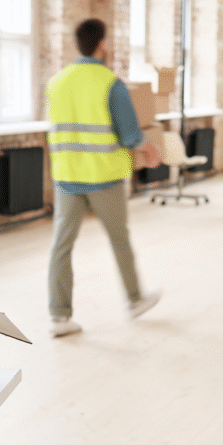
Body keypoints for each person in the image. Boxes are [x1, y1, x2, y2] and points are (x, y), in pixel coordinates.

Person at [45, 18, 163, 337]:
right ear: (103, 45)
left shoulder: (57, 82)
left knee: (61, 245)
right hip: (104, 177)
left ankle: (59, 317)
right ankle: (135, 299)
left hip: (68, 177)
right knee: (118, 239)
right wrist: (149, 148)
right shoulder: (110, 83)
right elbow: (128, 134)